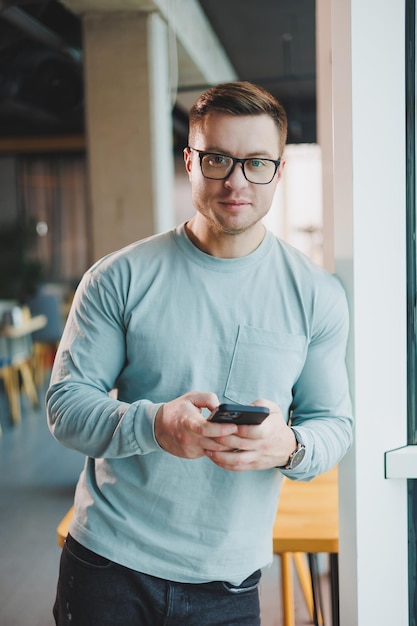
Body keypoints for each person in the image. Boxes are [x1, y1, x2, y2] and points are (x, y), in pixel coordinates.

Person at [47, 81, 353, 626]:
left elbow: (333, 424)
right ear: (190, 161)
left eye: (257, 162)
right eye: (217, 159)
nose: (236, 181)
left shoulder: (316, 294)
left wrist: (289, 446)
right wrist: (156, 424)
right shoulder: (117, 278)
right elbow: (66, 408)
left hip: (228, 582)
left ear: (279, 172)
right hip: (108, 564)